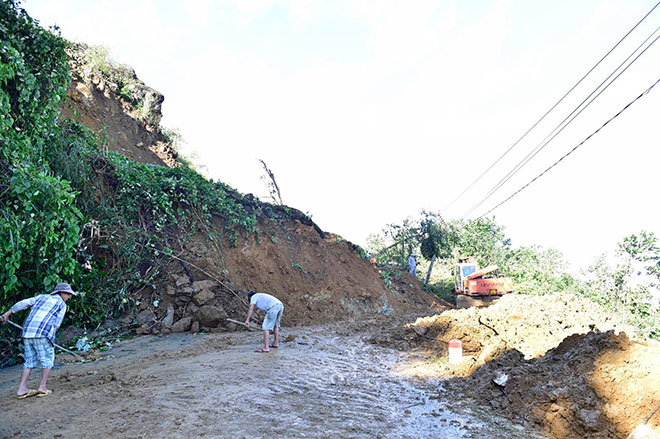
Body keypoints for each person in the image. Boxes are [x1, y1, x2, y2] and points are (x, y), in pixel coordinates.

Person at [1, 283, 77, 398]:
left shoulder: (41, 297)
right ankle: (42, 387)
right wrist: (51, 337)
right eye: (68, 294)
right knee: (47, 359)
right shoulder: (61, 304)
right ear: (62, 293)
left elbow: (23, 303)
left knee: (29, 361)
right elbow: (57, 324)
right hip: (43, 334)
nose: (68, 297)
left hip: (27, 333)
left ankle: (22, 389)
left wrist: (7, 313)